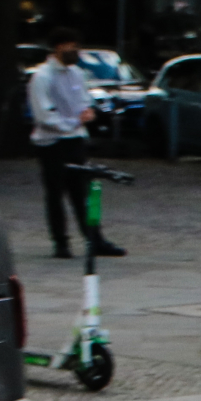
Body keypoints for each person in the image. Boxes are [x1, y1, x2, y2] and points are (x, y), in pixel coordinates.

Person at [28, 27, 123, 258]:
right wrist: (72, 122)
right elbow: (44, 115)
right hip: (52, 143)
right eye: (72, 45)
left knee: (81, 192)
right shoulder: (42, 77)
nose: (76, 50)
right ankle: (61, 242)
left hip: (75, 140)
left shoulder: (77, 74)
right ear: (58, 47)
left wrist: (86, 113)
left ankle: (94, 239)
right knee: (55, 193)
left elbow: (84, 101)